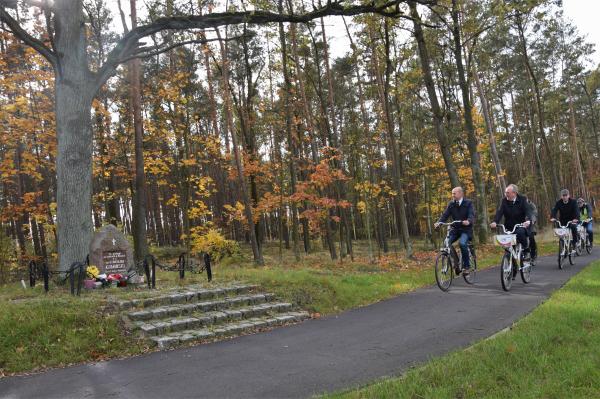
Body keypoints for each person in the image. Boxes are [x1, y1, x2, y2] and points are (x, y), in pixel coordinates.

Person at [434, 187, 475, 275]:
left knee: (462, 243)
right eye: (452, 193)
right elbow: (445, 215)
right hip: (455, 229)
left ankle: (467, 266)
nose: (452, 195)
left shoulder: (468, 203)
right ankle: (456, 264)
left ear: (460, 194)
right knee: (446, 242)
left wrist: (468, 221)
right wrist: (439, 222)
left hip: (466, 229)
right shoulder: (451, 204)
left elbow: (471, 214)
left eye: (454, 193)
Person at [490, 184, 532, 258]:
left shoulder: (522, 199)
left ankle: (526, 249)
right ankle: (510, 260)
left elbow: (528, 211)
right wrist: (495, 222)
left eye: (508, 193)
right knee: (506, 242)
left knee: (520, 233)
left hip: (521, 225)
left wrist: (528, 220)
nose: (506, 194)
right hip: (509, 226)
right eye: (505, 193)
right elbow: (499, 212)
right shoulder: (504, 201)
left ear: (514, 193)